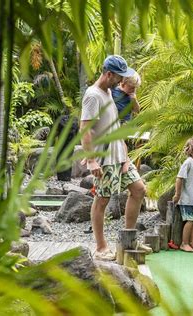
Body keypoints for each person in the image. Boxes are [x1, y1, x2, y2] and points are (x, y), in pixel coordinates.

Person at [80, 55, 150, 261]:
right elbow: (85, 129)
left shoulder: (109, 91)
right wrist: (92, 160)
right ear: (108, 74)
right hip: (104, 158)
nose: (121, 82)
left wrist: (126, 155)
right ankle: (101, 247)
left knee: (139, 190)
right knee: (102, 199)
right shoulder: (93, 95)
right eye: (119, 77)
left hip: (119, 155)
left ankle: (128, 240)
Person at [172, 137, 193, 252]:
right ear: (191, 150)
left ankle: (192, 242)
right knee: (190, 220)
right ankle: (184, 243)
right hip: (187, 198)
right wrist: (177, 195)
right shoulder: (188, 163)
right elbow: (179, 178)